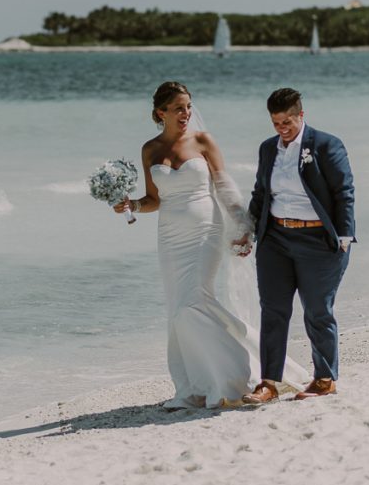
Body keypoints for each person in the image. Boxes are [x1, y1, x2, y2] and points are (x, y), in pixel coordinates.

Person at [114, 82, 307, 409]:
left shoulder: (203, 142)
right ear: (161, 113)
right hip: (170, 236)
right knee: (180, 309)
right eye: (178, 108)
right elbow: (154, 199)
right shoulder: (150, 150)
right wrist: (131, 204)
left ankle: (232, 376)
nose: (186, 113)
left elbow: (225, 188)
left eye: (188, 106)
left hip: (205, 231)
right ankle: (200, 382)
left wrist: (243, 226)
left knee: (195, 300)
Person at [242, 88, 356, 404]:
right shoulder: (268, 149)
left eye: (287, 121)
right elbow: (260, 194)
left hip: (318, 241)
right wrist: (248, 231)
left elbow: (344, 193)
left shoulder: (326, 145)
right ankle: (268, 383)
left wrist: (344, 239)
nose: (282, 128)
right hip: (275, 240)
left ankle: (324, 379)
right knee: (273, 310)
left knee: (318, 310)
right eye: (276, 122)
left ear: (301, 115)